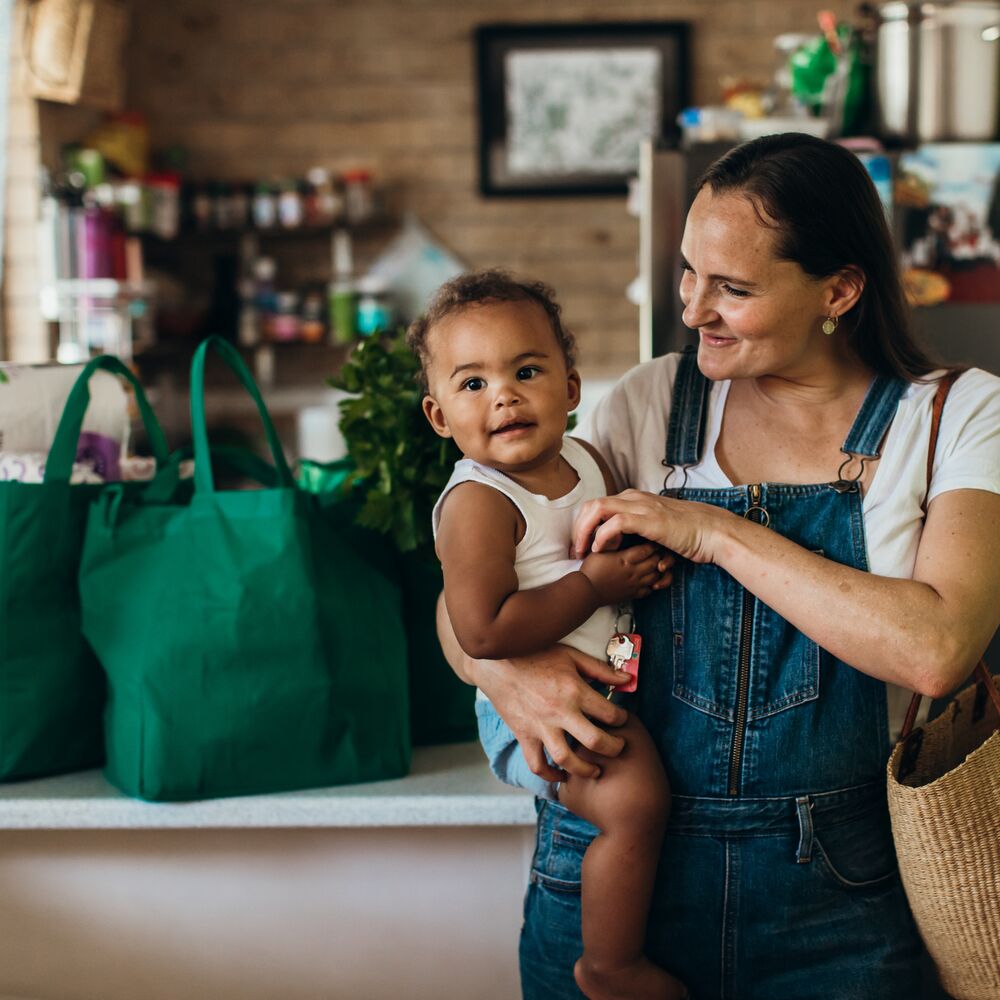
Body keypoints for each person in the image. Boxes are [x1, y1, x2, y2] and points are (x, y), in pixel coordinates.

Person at [436, 134, 1000, 1000]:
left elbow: (936, 647)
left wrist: (711, 532)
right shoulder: (652, 400)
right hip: (614, 881)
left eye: (732, 289)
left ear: (838, 291)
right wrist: (505, 674)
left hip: (840, 903)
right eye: (688, 275)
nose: (696, 309)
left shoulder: (957, 415)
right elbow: (481, 574)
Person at [408, 270, 687, 1000]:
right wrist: (596, 584)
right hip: (526, 715)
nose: (503, 394)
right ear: (439, 417)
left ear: (570, 386)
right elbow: (483, 628)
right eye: (472, 384)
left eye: (526, 371)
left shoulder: (588, 463)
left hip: (603, 682)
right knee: (635, 805)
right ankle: (609, 966)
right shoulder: (477, 501)